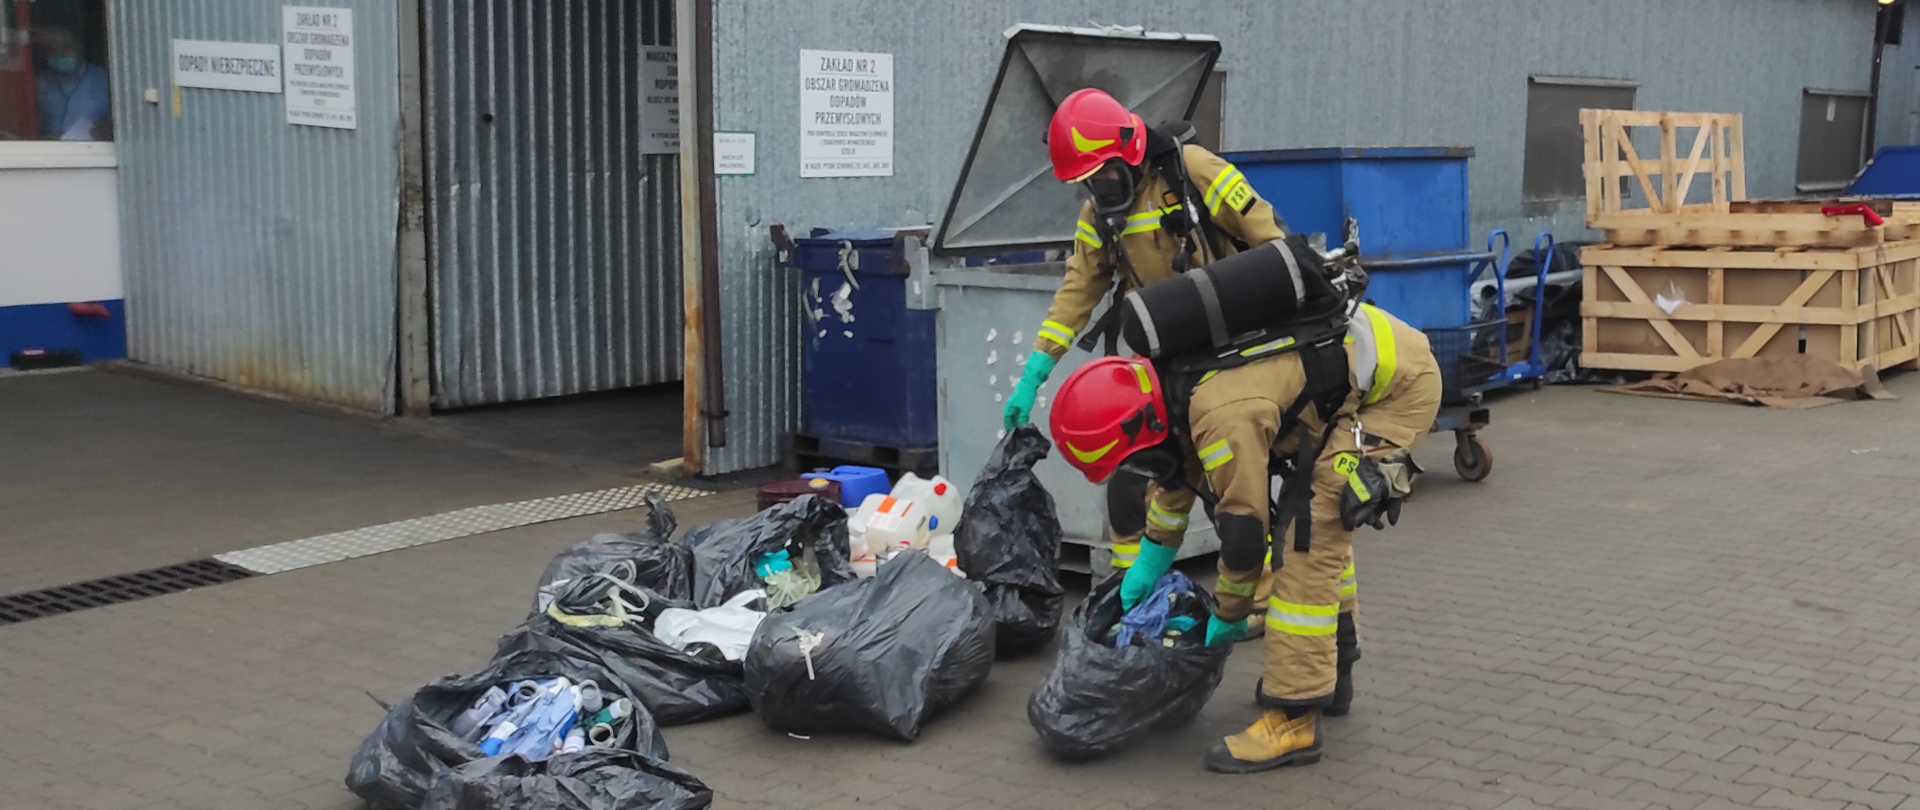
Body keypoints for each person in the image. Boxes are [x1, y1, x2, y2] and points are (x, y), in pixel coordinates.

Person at [1046, 302, 1441, 774]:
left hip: (1396, 390)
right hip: (1358, 372)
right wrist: (1146, 566)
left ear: (1137, 429)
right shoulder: (1171, 383)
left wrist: (1228, 614)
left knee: (1305, 540)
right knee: (1313, 531)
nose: (1140, 470)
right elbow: (1179, 476)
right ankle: (1332, 674)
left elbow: (1244, 529)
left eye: (1134, 460)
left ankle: (1295, 718)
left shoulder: (1220, 416)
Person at [1001, 86, 1289, 611]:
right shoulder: (1100, 214)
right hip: (1162, 359)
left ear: (1130, 151)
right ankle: (1133, 589)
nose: (1099, 187)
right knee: (1139, 469)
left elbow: (1272, 246)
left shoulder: (1195, 173)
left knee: (1235, 478)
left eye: (1104, 174)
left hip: (1230, 351)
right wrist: (1036, 368)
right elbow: (1078, 289)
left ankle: (1258, 591)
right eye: (1087, 180)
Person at [35, 25, 111, 141]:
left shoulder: (103, 80)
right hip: (50, 151)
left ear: (79, 47)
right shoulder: (42, 85)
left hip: (92, 150)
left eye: (65, 48)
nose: (60, 54)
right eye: (53, 51)